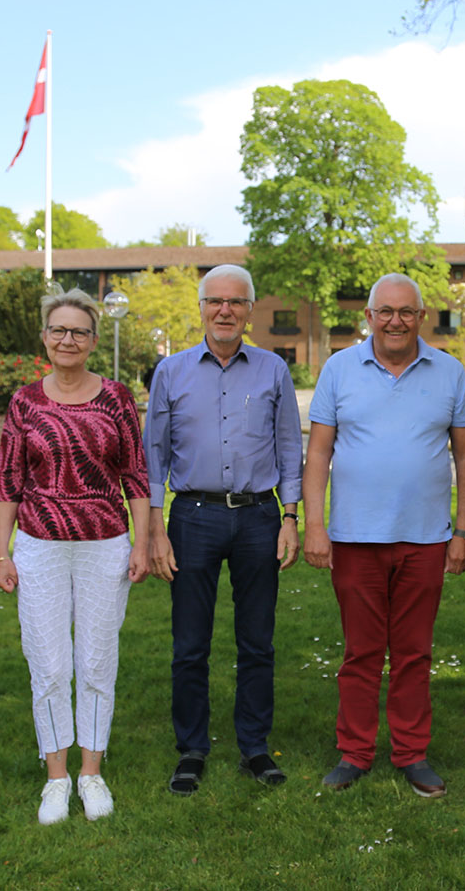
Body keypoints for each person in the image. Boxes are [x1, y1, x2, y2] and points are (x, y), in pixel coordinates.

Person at [303, 273, 465, 797]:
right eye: (386, 311)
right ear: (369, 317)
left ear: (421, 317)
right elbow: (318, 453)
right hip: (354, 537)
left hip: (425, 538)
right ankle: (354, 752)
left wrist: (463, 531)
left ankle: (411, 753)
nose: (395, 321)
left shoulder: (449, 372)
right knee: (360, 652)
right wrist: (316, 526)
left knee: (413, 652)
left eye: (406, 312)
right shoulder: (339, 369)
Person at [0, 287, 150, 825]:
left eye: (79, 331)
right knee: (50, 662)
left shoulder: (117, 398)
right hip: (40, 547)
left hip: (104, 546)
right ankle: (56, 777)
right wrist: (1, 553)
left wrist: (144, 542)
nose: (68, 339)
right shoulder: (24, 402)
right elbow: (9, 480)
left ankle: (91, 772)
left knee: (97, 660)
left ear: (93, 340)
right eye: (58, 329)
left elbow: (136, 475)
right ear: (44, 336)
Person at [144, 264, 302, 794]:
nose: (225, 310)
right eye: (215, 301)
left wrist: (290, 516)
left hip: (259, 517)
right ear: (202, 308)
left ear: (250, 310)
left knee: (257, 641)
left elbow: (289, 446)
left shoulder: (273, 370)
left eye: (236, 302)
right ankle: (192, 748)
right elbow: (154, 453)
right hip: (193, 516)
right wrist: (155, 527)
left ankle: (254, 746)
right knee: (190, 643)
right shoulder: (171, 372)